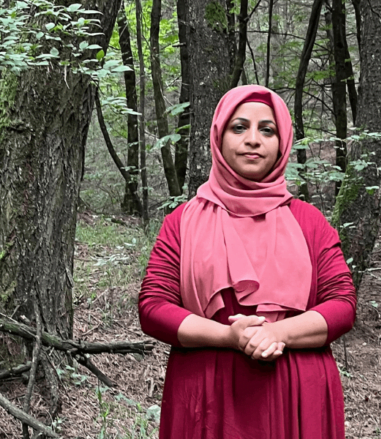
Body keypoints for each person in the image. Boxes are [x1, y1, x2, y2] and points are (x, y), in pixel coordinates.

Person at [138, 84, 357, 438]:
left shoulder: (310, 222)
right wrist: (229, 336)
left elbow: (343, 304)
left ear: (282, 142)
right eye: (239, 127)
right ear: (219, 136)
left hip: (296, 396)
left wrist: (277, 332)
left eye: (266, 130)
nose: (253, 139)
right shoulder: (181, 222)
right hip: (208, 397)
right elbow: (153, 308)